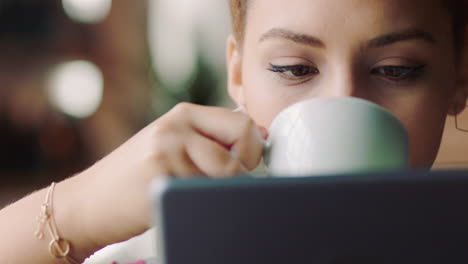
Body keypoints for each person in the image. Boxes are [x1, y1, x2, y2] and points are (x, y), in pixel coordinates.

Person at [1, 0, 466, 263]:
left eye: (397, 69)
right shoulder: (165, 249)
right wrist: (78, 211)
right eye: (294, 68)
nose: (343, 102)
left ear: (459, 79)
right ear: (238, 75)